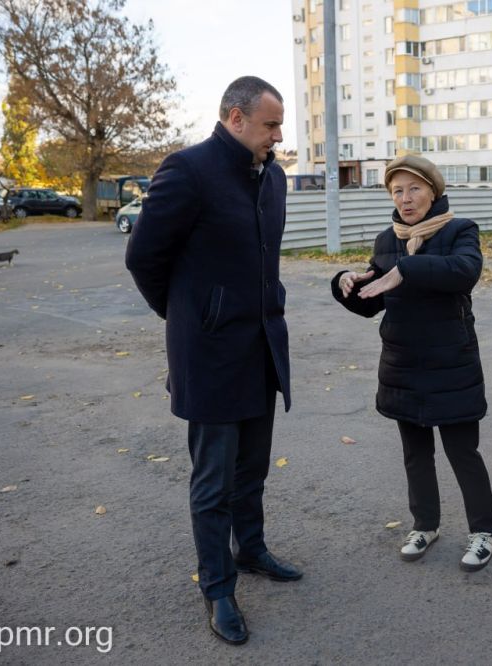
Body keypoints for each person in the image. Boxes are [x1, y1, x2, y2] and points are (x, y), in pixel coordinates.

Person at [125, 76, 300, 646]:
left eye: (280, 125)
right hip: (211, 355)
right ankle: (218, 588)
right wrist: (191, 317)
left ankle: (250, 551)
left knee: (252, 470)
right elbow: (144, 258)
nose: (279, 136)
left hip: (261, 347)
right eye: (271, 125)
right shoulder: (188, 170)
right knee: (213, 483)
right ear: (235, 118)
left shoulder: (272, 177)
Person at [331, 154, 492, 571]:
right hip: (403, 364)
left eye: (414, 189)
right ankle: (425, 525)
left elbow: (464, 271)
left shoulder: (461, 230)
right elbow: (373, 300)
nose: (405, 199)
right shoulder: (386, 240)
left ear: (433, 191)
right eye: (397, 191)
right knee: (415, 454)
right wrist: (345, 284)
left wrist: (405, 268)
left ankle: (484, 531)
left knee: (463, 452)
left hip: (451, 364)